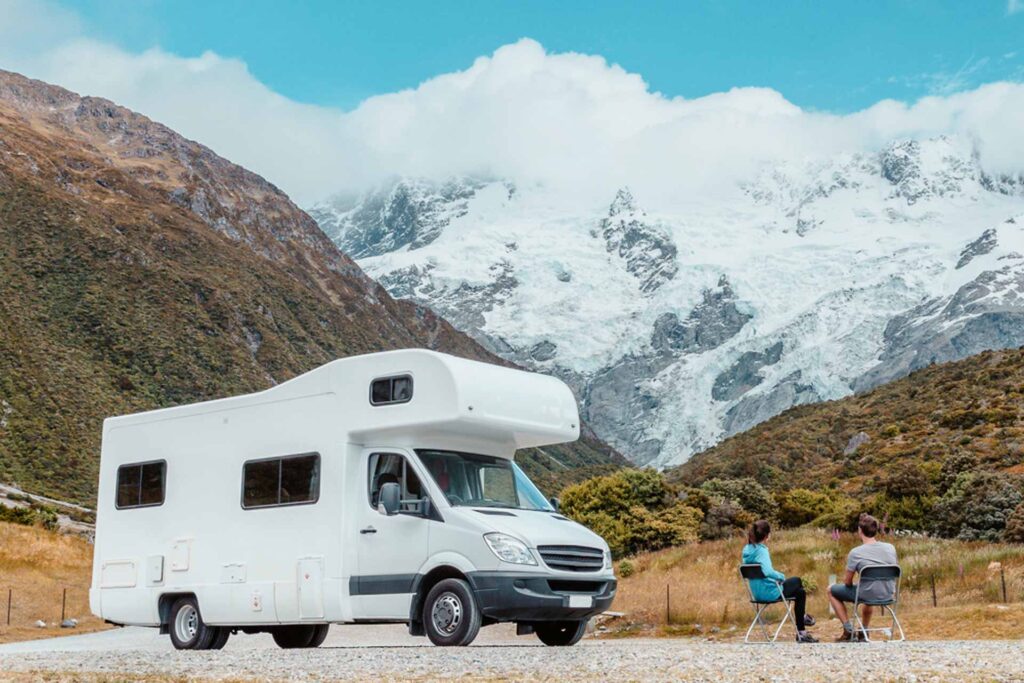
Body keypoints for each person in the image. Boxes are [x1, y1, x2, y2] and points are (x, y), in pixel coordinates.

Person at [742, 520, 818, 643]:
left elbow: (760, 572)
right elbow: (767, 571)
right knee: (797, 580)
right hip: (769, 593)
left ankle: (802, 632)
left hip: (756, 593)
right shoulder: (762, 550)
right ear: (767, 535)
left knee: (800, 592)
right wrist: (781, 576)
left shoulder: (747, 550)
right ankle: (802, 619)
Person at [828, 513, 899, 641]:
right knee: (869, 588)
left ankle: (848, 630)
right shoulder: (890, 548)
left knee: (831, 590)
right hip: (888, 593)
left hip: (866, 593)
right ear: (876, 530)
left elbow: (847, 582)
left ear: (860, 530)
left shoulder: (856, 553)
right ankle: (863, 630)